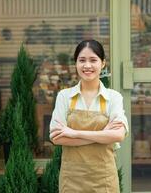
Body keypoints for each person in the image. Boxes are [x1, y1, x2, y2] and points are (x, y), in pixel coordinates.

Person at [49, 39, 129, 193]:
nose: (87, 66)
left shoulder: (114, 97)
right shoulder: (64, 96)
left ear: (103, 63)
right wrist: (104, 134)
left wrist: (74, 133)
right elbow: (57, 137)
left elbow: (118, 135)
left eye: (93, 60)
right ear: (76, 64)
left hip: (104, 178)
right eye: (82, 60)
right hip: (72, 179)